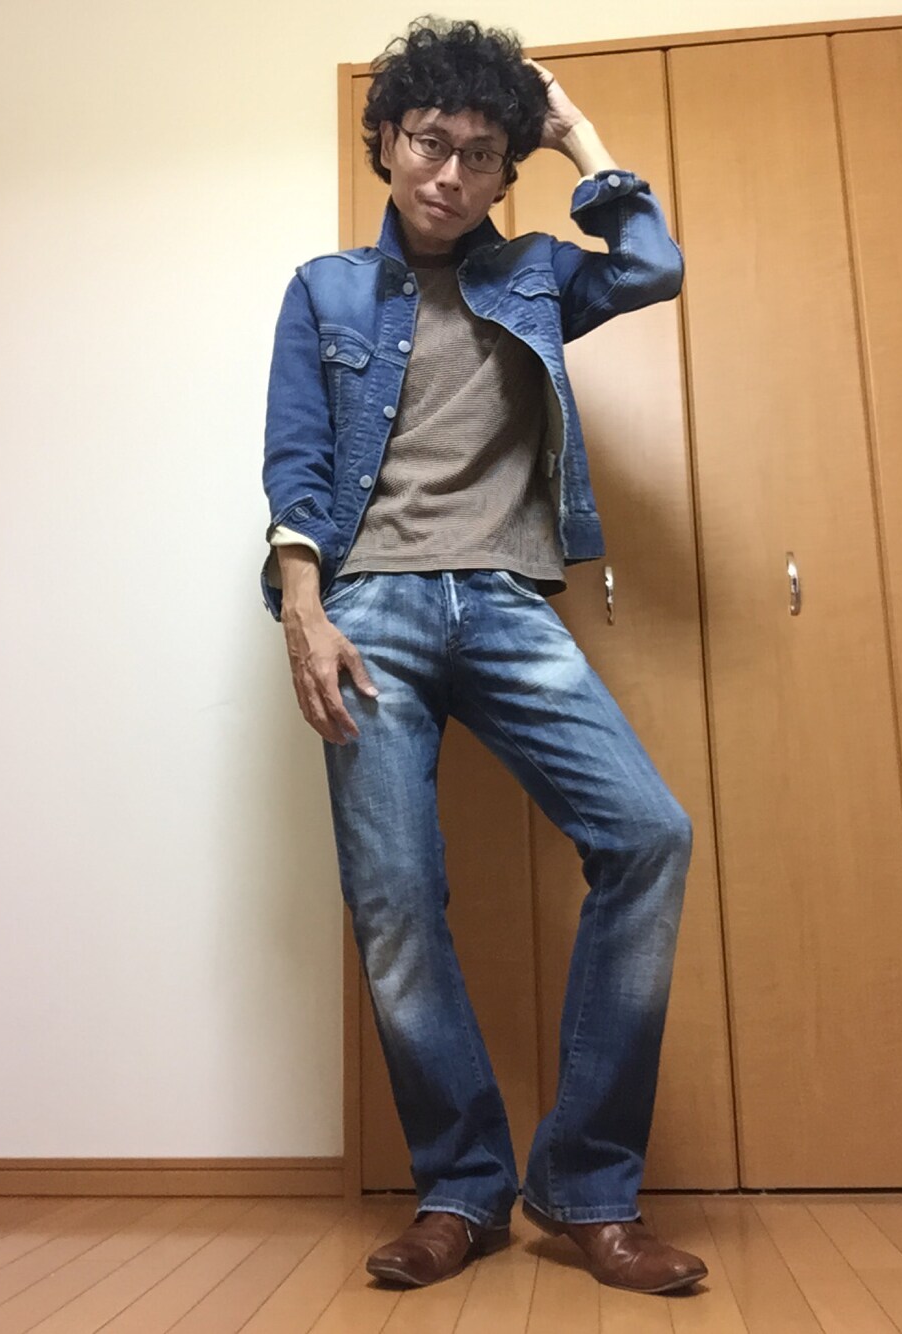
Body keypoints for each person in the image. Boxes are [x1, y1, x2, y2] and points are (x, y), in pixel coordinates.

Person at [260, 16, 707, 1296]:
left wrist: (576, 135)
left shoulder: (537, 275)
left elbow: (653, 265)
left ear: (507, 169)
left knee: (647, 834)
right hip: (371, 614)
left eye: (478, 154)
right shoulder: (325, 290)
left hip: (507, 605)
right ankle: (460, 1186)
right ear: (386, 141)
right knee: (395, 898)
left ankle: (586, 1186)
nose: (449, 174)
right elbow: (296, 459)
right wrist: (303, 606)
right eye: (427, 143)